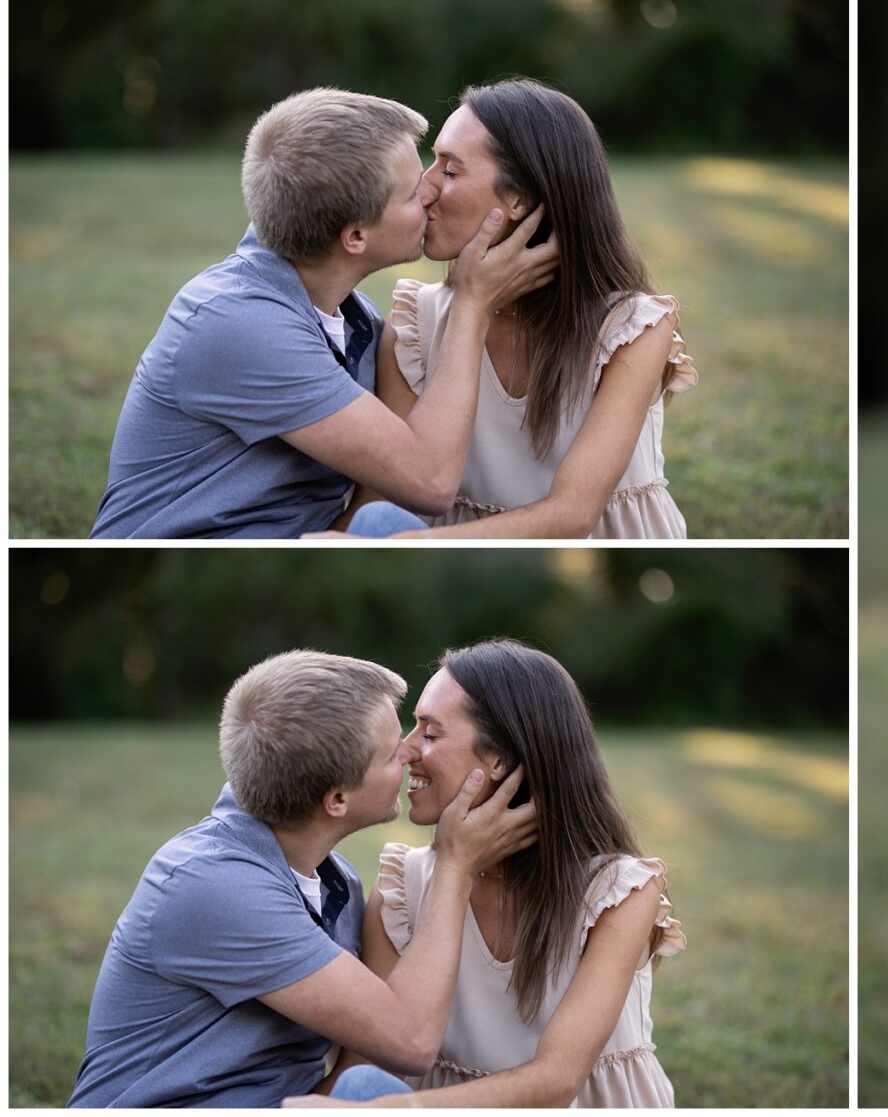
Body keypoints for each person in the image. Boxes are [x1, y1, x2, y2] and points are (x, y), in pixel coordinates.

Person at [69, 651, 536, 1107]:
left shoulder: (336, 883)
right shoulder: (213, 886)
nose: (413, 752)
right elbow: (409, 1042)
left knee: (365, 1096)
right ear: (336, 800)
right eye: (394, 752)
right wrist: (455, 867)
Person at [91, 87, 557, 538]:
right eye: (413, 192)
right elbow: (430, 482)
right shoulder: (236, 323)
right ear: (354, 237)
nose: (432, 193)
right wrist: (473, 304)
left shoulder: (353, 317)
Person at [295, 639, 685, 1107]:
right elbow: (370, 1063)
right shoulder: (403, 885)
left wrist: (400, 1109)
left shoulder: (617, 892)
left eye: (430, 733)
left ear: (499, 759)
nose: (404, 751)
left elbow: (559, 1078)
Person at [336, 78, 694, 539]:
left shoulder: (630, 329)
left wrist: (403, 542)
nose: (424, 189)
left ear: (519, 199)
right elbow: (382, 496)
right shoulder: (415, 322)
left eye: (449, 170)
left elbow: (572, 516)